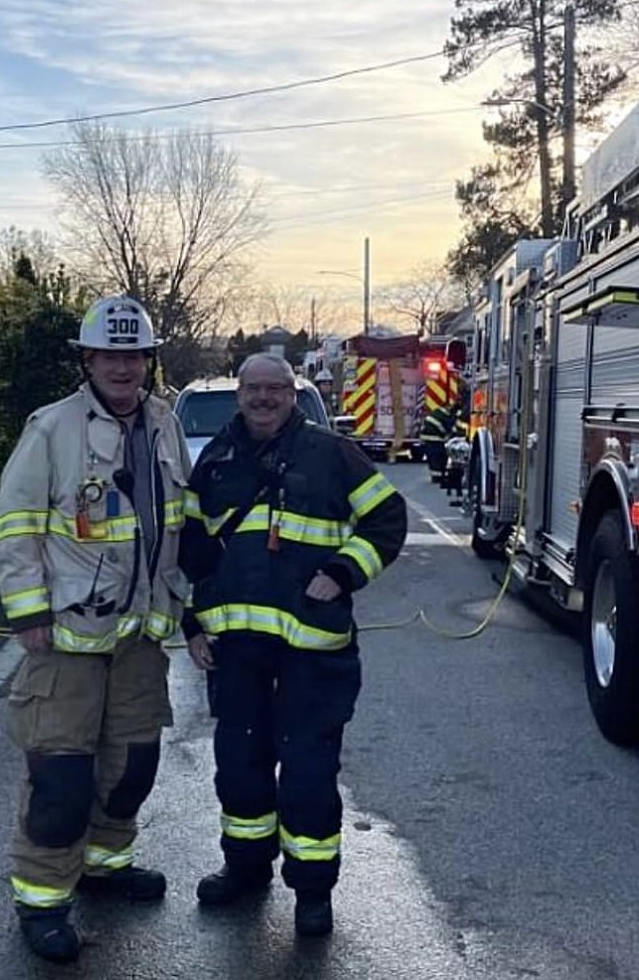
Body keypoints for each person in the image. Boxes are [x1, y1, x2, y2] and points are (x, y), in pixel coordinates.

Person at [0, 295, 191, 964]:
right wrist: (28, 611)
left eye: (133, 355)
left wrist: (187, 609)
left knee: (131, 768)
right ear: (88, 360)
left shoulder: (165, 426)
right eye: (110, 354)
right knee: (61, 784)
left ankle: (106, 866)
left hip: (138, 641)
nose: (123, 367)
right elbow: (14, 525)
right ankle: (42, 903)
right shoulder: (52, 429)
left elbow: (177, 524)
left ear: (147, 362)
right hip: (67, 641)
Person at [180, 352, 406, 937]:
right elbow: (194, 553)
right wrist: (193, 623)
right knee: (240, 766)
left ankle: (312, 892)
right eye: (252, 388)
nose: (263, 398)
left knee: (307, 773)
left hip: (313, 648)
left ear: (291, 393)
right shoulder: (216, 461)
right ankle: (245, 868)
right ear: (239, 395)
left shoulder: (331, 454)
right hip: (236, 649)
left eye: (274, 388)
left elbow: (387, 517)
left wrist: (343, 572)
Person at [419, 399, 464, 480]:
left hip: (427, 437)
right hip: (435, 439)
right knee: (439, 457)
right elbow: (449, 428)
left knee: (433, 458)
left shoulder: (438, 412)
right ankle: (438, 476)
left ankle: (436, 475)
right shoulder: (446, 416)